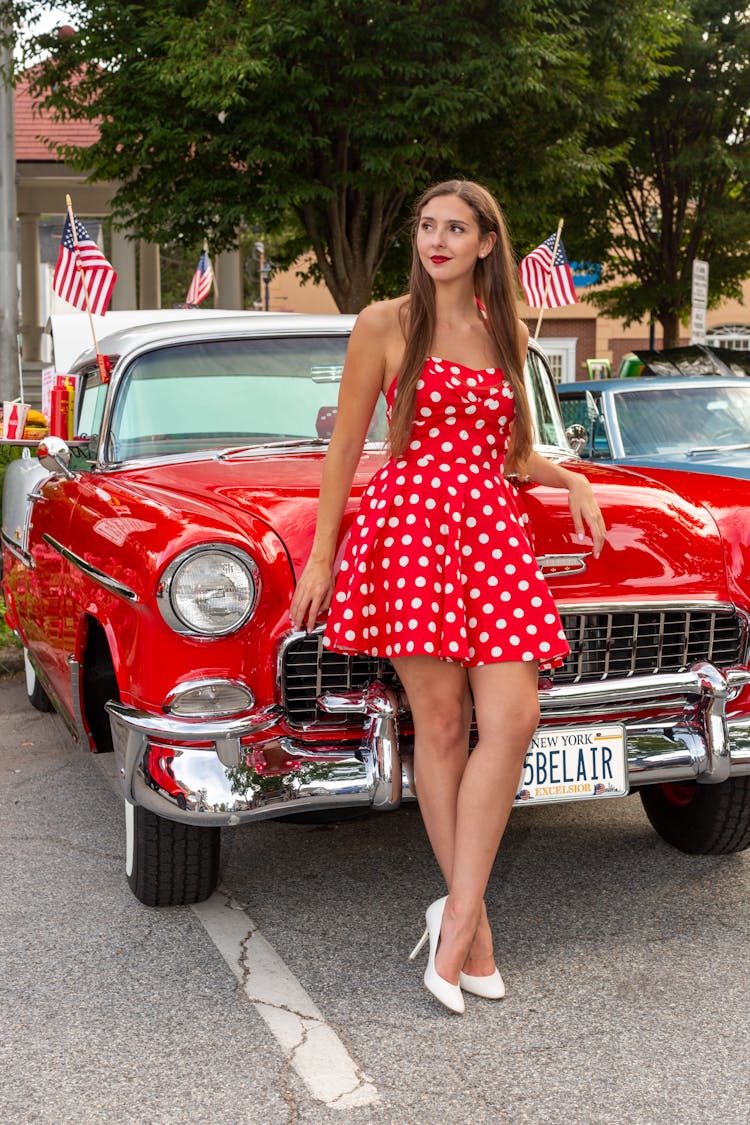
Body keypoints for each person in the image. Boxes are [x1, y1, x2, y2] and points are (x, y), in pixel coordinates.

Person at [290, 179, 606, 1014]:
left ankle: (456, 913)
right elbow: (348, 447)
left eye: (455, 228)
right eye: (428, 226)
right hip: (412, 530)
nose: (437, 240)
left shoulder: (505, 327)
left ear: (486, 243)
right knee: (437, 724)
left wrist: (565, 474)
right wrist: (322, 556)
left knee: (512, 718)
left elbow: (511, 452)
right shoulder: (386, 324)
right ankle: (477, 929)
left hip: (491, 532)